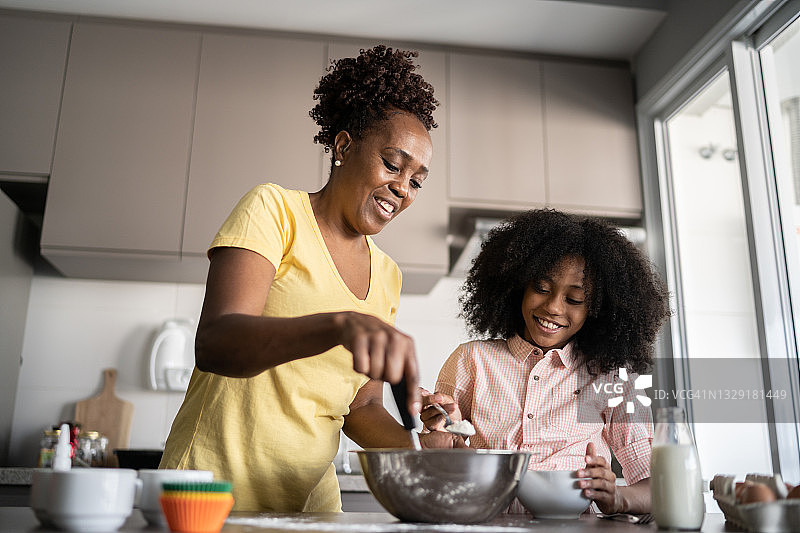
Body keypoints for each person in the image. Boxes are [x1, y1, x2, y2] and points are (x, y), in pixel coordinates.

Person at [160, 45, 460, 513]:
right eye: (392, 164)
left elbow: (360, 409)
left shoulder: (387, 276)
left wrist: (419, 443)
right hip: (211, 495)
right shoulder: (273, 211)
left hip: (310, 508)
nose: (403, 188)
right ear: (343, 147)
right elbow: (217, 343)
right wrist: (338, 325)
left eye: (417, 180)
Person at [420, 209, 670, 515]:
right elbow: (435, 462)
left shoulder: (612, 377)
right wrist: (442, 433)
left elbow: (656, 487)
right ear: (518, 286)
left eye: (575, 299)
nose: (552, 307)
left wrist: (617, 497)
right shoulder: (471, 360)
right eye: (541, 288)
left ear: (597, 309)